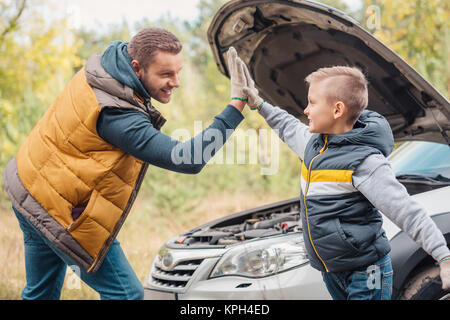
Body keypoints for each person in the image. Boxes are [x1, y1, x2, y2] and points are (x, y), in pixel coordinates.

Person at [2, 29, 249, 300]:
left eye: (178, 71)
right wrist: (235, 107)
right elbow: (188, 159)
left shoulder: (107, 67)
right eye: (166, 74)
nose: (176, 82)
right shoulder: (117, 114)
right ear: (137, 68)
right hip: (53, 205)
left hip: (27, 183)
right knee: (127, 295)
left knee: (41, 294)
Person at [237, 56, 450, 300]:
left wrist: (443, 256)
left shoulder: (365, 163)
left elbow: (407, 212)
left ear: (337, 110)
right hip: (333, 272)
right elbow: (285, 125)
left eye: (312, 103)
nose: (305, 110)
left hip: (366, 273)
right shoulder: (314, 145)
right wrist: (258, 103)